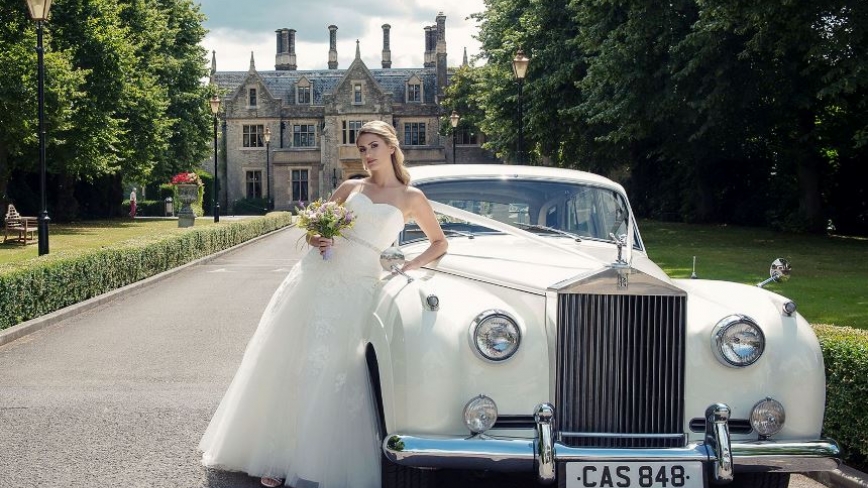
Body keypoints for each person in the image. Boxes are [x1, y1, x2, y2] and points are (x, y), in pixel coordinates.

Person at [199, 120, 448, 488]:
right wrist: (318, 239)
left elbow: (439, 242)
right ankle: (278, 458)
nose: (366, 155)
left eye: (373, 146)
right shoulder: (350, 186)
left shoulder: (412, 197)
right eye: (361, 148)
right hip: (319, 276)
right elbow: (315, 226)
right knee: (296, 360)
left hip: (362, 286)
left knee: (335, 370)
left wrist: (406, 266)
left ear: (392, 147)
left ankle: (316, 458)